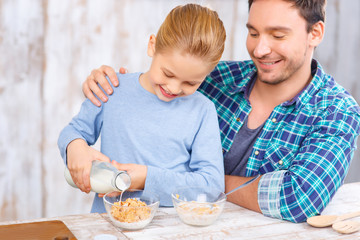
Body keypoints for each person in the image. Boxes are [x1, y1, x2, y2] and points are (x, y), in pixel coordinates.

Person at [82, 0, 360, 223]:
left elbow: (299, 198)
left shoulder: (337, 111)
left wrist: (207, 184)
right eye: (253, 32)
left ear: (315, 33)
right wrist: (109, 82)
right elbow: (160, 82)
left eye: (277, 35)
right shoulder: (215, 79)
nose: (260, 48)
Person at [58, 3, 226, 213]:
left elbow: (211, 187)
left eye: (191, 83)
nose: (174, 88)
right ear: (152, 46)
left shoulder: (203, 111)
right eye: (168, 73)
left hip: (172, 228)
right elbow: (73, 131)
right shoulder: (111, 89)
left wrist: (146, 178)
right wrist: (75, 147)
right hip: (109, 224)